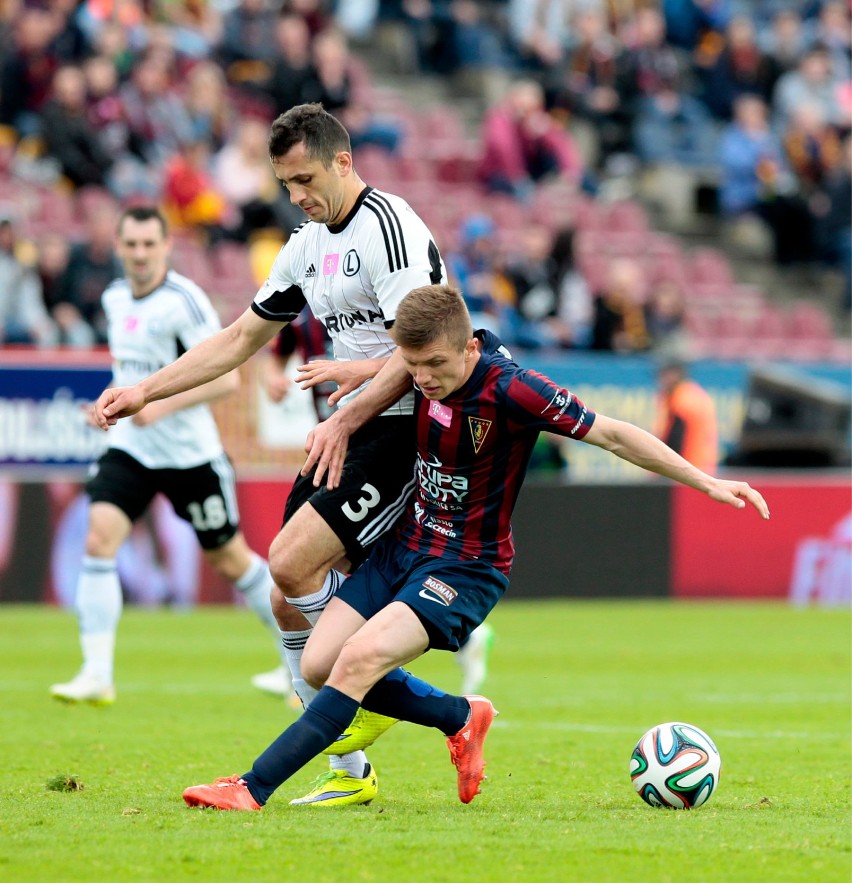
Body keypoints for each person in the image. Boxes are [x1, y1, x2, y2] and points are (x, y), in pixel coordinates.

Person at [180, 283, 770, 811]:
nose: (423, 378)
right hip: (403, 548)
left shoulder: (514, 390)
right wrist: (365, 373)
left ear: (469, 350)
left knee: (357, 662)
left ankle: (252, 788)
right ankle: (461, 716)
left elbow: (613, 434)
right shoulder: (421, 368)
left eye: (434, 364)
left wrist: (707, 481)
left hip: (466, 566)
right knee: (317, 663)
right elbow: (403, 363)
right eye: (411, 366)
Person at [91, 103, 449, 807]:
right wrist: (143, 390)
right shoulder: (306, 244)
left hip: (406, 428)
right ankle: (366, 764)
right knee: (288, 597)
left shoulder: (391, 228)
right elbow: (236, 340)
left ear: (344, 162)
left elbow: (416, 353)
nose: (297, 197)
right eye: (286, 184)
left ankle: (361, 701)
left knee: (288, 563)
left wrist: (344, 417)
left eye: (306, 179)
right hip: (350, 430)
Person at [50, 206, 292, 705]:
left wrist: (158, 407)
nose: (139, 254)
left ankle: (297, 657)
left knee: (230, 560)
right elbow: (128, 370)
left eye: (148, 245)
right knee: (99, 539)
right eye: (131, 245)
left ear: (165, 247)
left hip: (190, 455)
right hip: (132, 450)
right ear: (119, 247)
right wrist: (107, 405)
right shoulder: (116, 299)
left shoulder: (184, 300)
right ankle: (97, 673)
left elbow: (226, 378)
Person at [654, 357, 719, 475]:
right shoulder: (694, 393)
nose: (660, 380)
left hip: (686, 470)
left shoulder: (682, 398)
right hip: (703, 468)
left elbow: (675, 438)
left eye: (663, 375)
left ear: (676, 374)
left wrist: (663, 469)